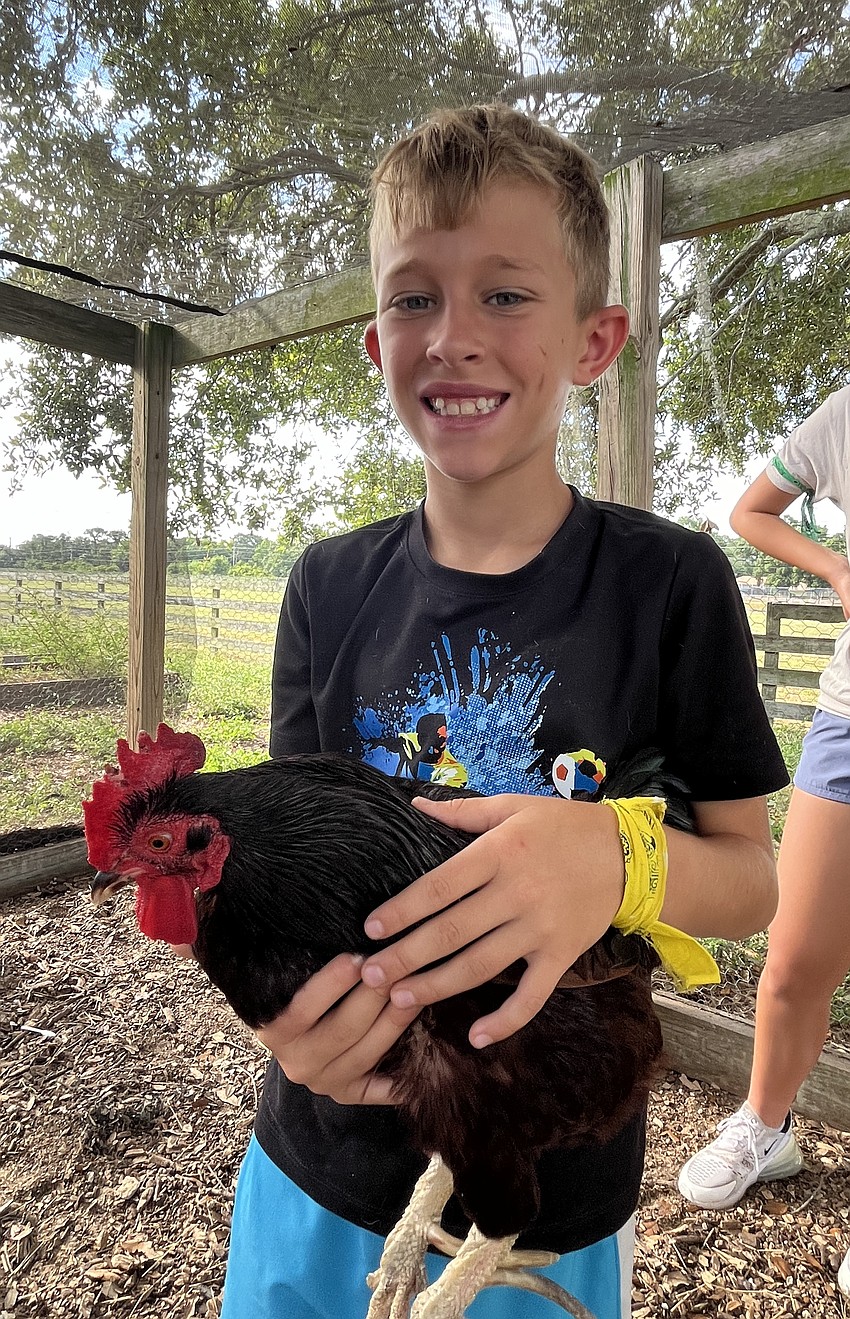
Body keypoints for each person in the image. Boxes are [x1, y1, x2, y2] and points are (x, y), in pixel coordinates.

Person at [219, 104, 787, 1319]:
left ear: (595, 339)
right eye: (414, 297)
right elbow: (282, 870)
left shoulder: (669, 581)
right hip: (321, 1156)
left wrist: (614, 852)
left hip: (547, 1185)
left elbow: (751, 877)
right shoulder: (328, 583)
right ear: (374, 342)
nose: (453, 337)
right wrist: (286, 1029)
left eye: (506, 296)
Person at [677, 385, 850, 1293]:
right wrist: (836, 571)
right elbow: (751, 510)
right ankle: (765, 1126)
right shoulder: (846, 412)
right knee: (792, 959)